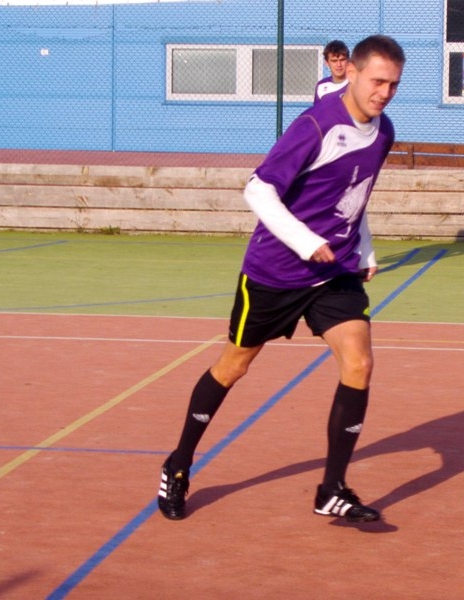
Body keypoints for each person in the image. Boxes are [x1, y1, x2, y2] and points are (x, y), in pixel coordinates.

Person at [157, 34, 406, 523]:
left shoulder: (383, 131)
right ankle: (178, 464)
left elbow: (356, 193)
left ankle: (331, 489)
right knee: (233, 367)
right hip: (276, 271)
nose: (385, 93)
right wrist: (304, 241)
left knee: (359, 363)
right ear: (352, 73)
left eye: (394, 85)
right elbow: (258, 189)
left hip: (333, 270)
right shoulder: (316, 125)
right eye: (378, 81)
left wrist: (365, 247)